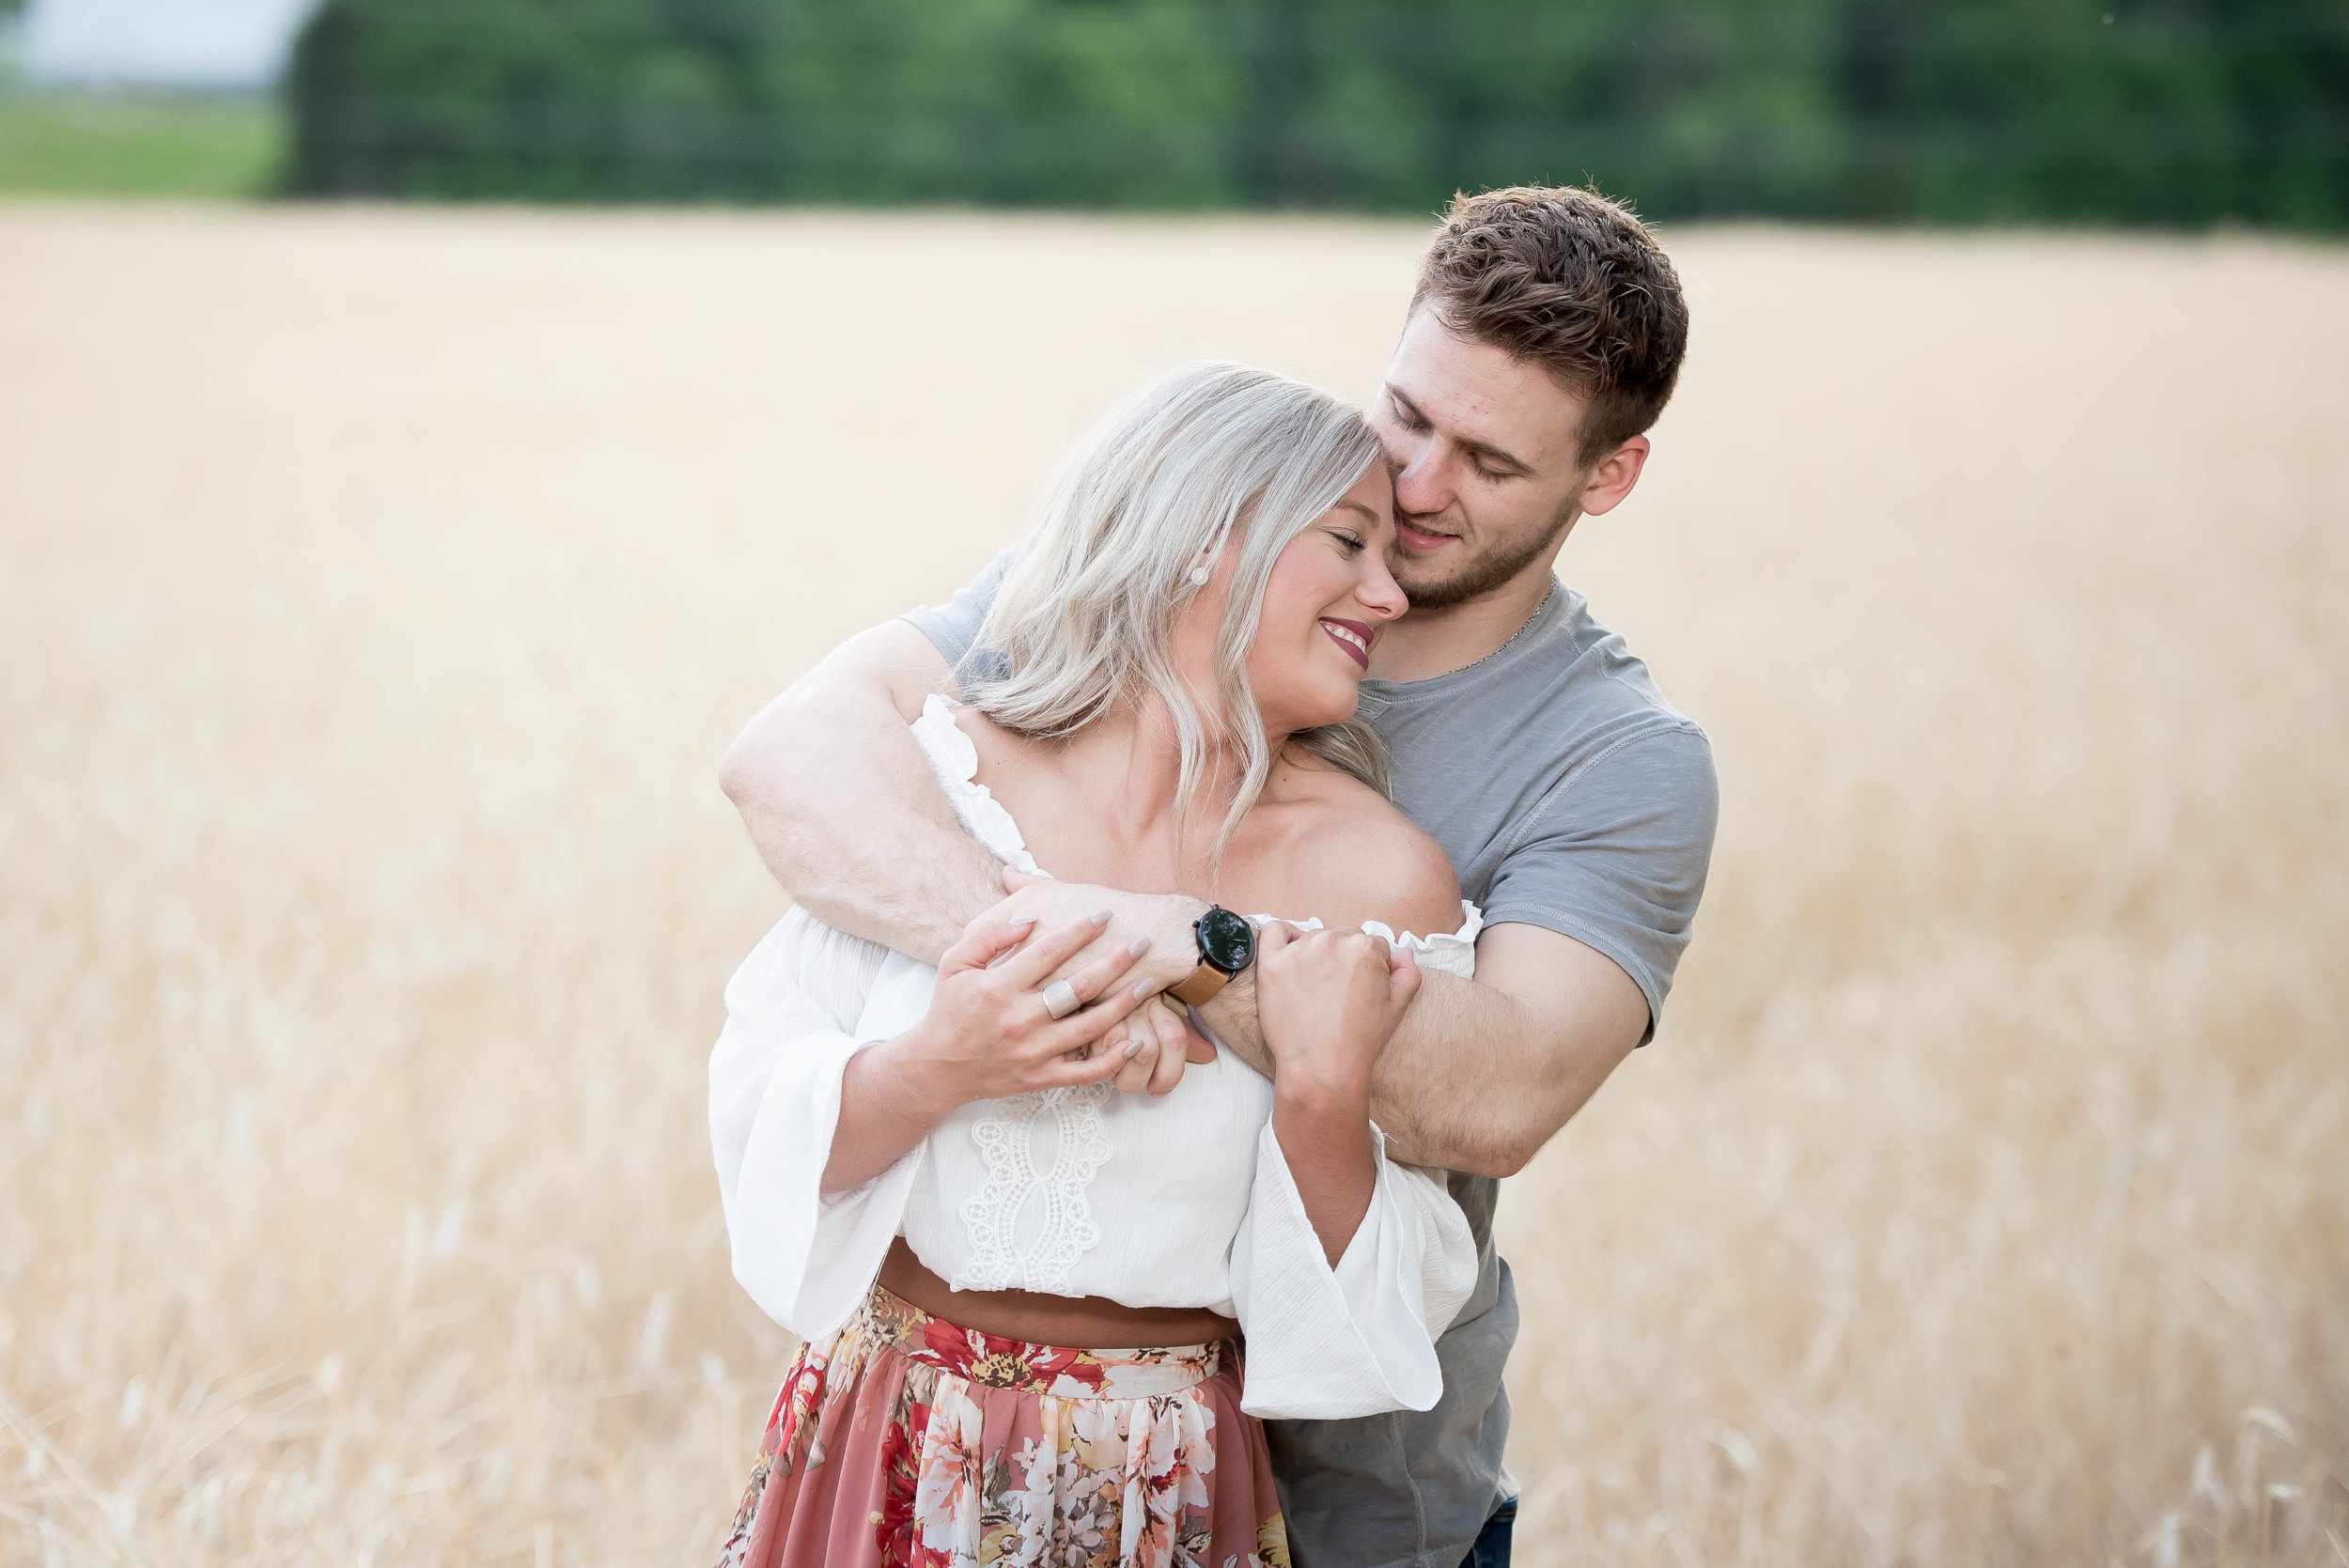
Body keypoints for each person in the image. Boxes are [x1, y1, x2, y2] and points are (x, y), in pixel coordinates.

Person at [720, 186, 1719, 1568]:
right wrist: (1055, 974)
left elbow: (1497, 1097)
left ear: (1606, 478)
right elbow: (795, 757)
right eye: (1408, 419)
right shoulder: (1116, 596)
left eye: (1487, 462)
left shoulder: (1614, 760)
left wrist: (1190, 943)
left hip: (1363, 1499)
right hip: (919, 1441)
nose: (1420, 489)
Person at [709, 363, 1487, 1567]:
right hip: (890, 1442)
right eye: (1348, 542)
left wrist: (1324, 1098)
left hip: (1163, 1482)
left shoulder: (1380, 881)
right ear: (1199, 539)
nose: (1388, 593)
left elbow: (1375, 1309)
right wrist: (944, 1062)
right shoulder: (941, 778)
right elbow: (764, 1133)